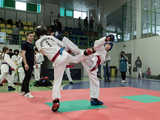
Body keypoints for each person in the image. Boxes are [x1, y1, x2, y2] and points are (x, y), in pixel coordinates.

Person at [35, 26, 85, 112]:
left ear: (37, 34)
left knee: (57, 82)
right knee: (76, 59)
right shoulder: (50, 37)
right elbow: (62, 45)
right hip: (63, 53)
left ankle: (56, 100)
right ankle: (87, 53)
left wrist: (48, 51)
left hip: (57, 59)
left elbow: (42, 52)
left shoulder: (38, 42)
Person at [62, 34, 114, 107]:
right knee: (78, 52)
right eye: (108, 44)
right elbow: (96, 43)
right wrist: (105, 38)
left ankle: (94, 99)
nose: (108, 46)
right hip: (90, 61)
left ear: (110, 48)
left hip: (92, 65)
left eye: (110, 46)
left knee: (78, 54)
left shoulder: (104, 54)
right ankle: (64, 41)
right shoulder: (101, 47)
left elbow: (99, 60)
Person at [21, 31, 35, 98]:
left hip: (31, 62)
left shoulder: (32, 44)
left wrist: (35, 62)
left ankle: (23, 90)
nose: (32, 37)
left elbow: (33, 54)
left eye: (32, 36)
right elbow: (23, 54)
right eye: (30, 36)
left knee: (27, 77)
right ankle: (27, 92)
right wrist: (25, 64)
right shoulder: (24, 43)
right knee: (28, 77)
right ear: (27, 36)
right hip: (26, 62)